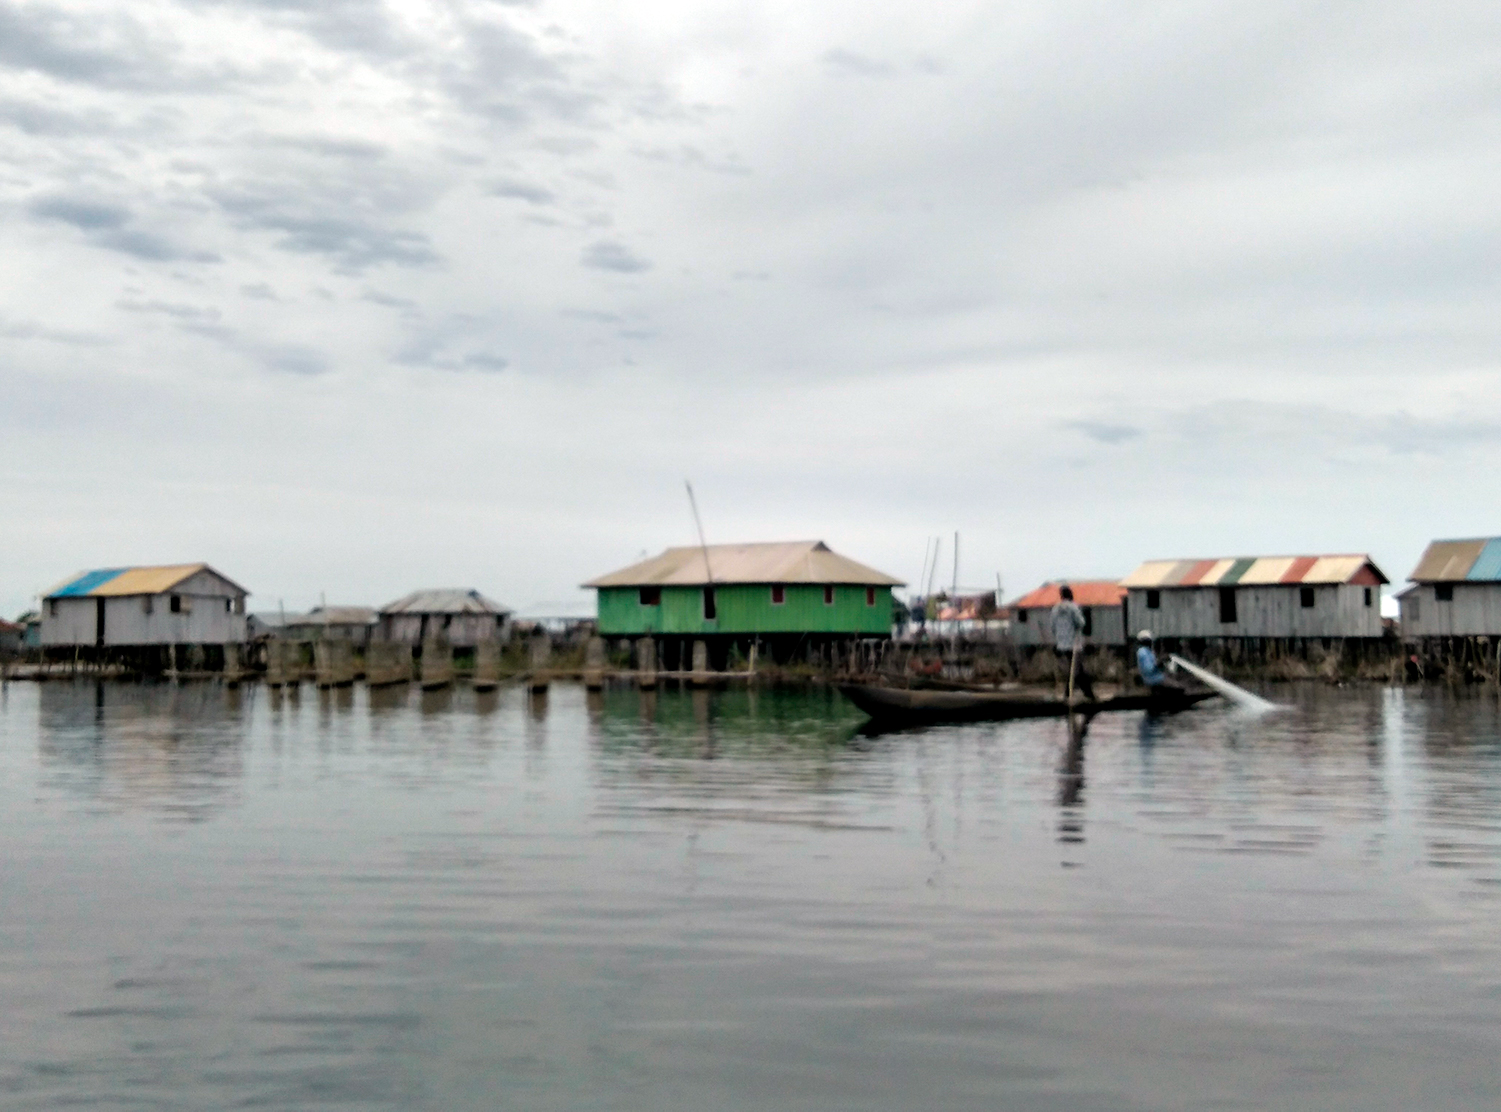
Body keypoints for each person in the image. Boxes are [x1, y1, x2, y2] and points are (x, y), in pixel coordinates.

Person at [1050, 585, 1095, 701]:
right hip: (1074, 644)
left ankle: (1088, 693)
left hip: (1061, 644)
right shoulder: (1073, 607)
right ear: (1070, 594)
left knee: (1076, 668)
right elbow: (1081, 623)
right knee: (1076, 669)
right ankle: (1071, 694)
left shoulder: (1055, 609)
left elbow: (1052, 627)